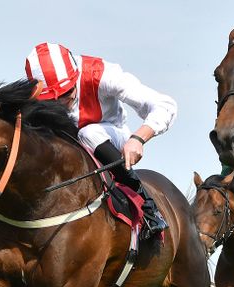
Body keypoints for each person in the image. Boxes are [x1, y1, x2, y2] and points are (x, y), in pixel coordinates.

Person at [24, 42, 177, 239]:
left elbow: (165, 105)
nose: (61, 102)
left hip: (110, 138)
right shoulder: (32, 92)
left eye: (67, 92)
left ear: (76, 75)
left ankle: (145, 203)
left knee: (88, 133)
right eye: (52, 99)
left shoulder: (102, 74)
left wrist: (138, 138)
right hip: (67, 147)